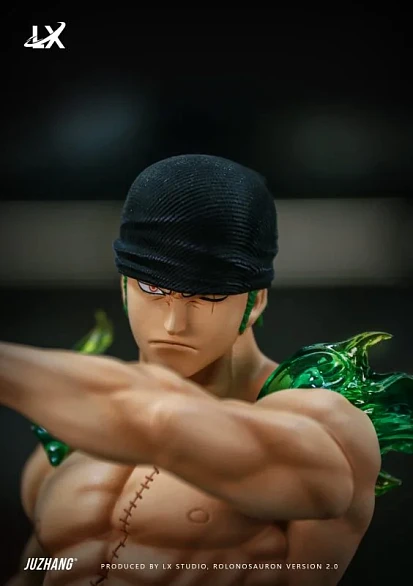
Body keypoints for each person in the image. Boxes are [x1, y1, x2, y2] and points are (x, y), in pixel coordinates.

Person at [1, 155, 384, 586]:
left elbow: (159, 422)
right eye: (151, 287)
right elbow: (41, 569)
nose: (174, 323)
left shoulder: (323, 429)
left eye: (207, 296)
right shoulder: (68, 439)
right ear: (123, 286)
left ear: (255, 301)